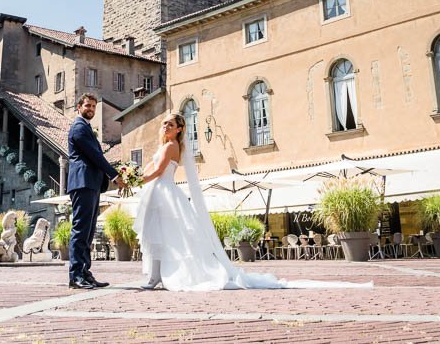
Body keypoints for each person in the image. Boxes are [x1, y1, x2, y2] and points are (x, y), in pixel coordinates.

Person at [132, 113, 372, 292]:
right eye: (164, 123)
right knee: (158, 236)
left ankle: (159, 277)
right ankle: (156, 276)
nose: (166, 126)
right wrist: (134, 177)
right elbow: (150, 169)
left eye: (170, 124)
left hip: (164, 192)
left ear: (179, 130)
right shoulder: (165, 145)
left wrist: (136, 181)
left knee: (164, 236)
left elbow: (159, 170)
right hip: (158, 192)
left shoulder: (172, 146)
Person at [66, 92, 125, 290]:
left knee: (88, 232)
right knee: (80, 230)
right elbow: (95, 156)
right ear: (79, 108)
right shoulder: (79, 127)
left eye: (93, 106)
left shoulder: (86, 128)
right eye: (87, 106)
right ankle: (75, 276)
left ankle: (85, 272)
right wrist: (115, 175)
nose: (90, 109)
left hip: (90, 183)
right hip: (82, 183)